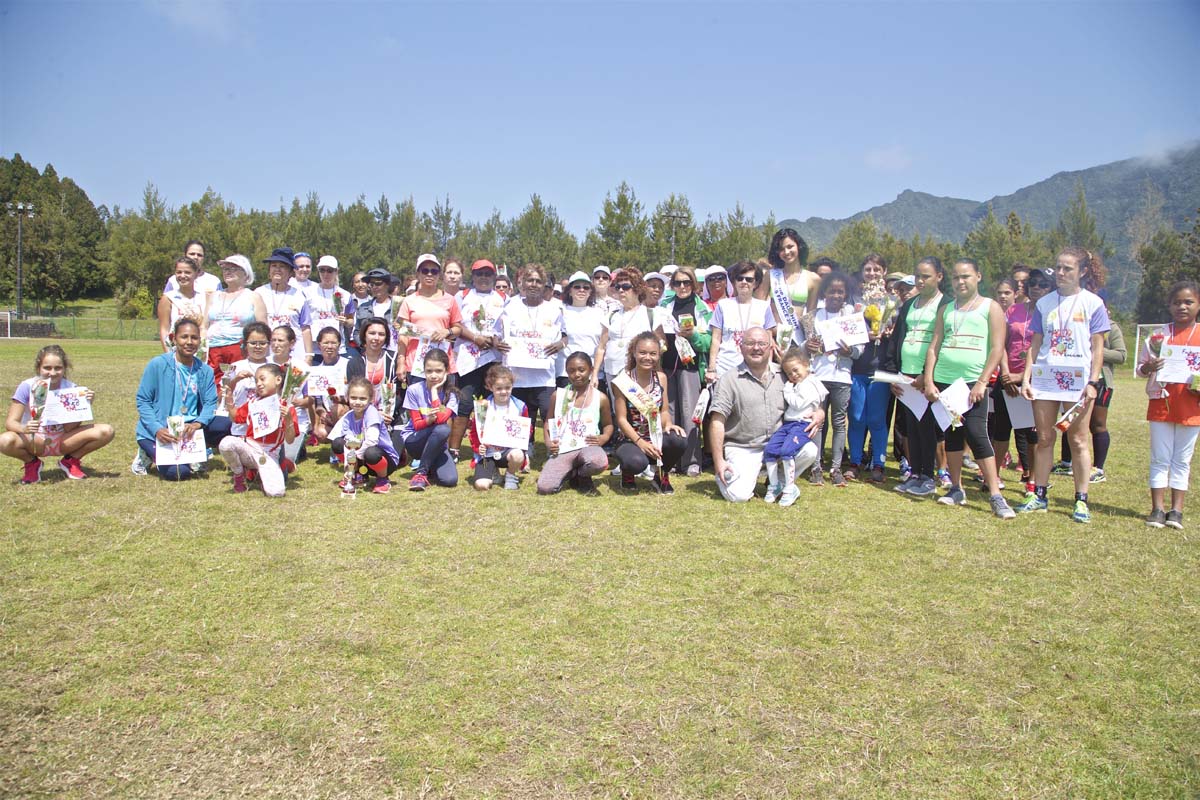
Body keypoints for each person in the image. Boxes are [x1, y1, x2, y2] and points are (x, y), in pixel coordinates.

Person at [1018, 248, 1111, 523]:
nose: (1060, 273)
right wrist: (1026, 377)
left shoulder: (1093, 303)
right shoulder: (1044, 303)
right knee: (1045, 438)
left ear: (1082, 271)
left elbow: (1098, 347)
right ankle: (1040, 495)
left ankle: (1081, 500)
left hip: (1079, 381)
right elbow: (1035, 343)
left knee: (1079, 439)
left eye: (1067, 268)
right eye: (1058, 267)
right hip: (1046, 378)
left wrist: (1093, 382)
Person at [921, 258, 1015, 519]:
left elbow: (997, 348)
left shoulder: (991, 307)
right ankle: (956, 488)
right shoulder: (946, 310)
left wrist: (983, 381)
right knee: (953, 433)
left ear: (978, 277)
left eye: (966, 276)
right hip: (944, 382)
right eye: (956, 277)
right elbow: (934, 347)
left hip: (973, 383)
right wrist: (929, 380)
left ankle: (996, 494)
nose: (960, 282)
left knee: (976, 433)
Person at [709, 327, 824, 502]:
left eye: (762, 343)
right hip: (744, 447)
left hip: (777, 444)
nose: (756, 348)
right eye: (750, 343)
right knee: (739, 496)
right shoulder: (728, 380)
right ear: (741, 347)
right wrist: (718, 461)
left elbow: (812, 393)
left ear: (770, 347)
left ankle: (778, 481)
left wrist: (820, 412)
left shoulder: (785, 374)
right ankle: (729, 476)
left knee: (809, 451)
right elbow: (717, 422)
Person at [883, 257, 950, 498]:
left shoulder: (946, 304)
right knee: (911, 428)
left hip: (928, 377)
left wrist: (927, 374)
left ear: (939, 277)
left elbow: (945, 343)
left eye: (927, 276)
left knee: (928, 429)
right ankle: (916, 473)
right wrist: (893, 375)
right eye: (918, 276)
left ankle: (929, 478)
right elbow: (896, 340)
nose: (921, 281)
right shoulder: (910, 304)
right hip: (906, 377)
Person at [2, 344, 115, 483]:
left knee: (106, 431)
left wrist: (84, 405)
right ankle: (31, 463)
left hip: (63, 439)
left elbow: (69, 428)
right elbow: (10, 422)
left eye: (58, 368)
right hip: (35, 440)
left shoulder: (71, 388)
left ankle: (70, 461)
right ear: (39, 368)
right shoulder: (27, 386)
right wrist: (24, 428)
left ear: (64, 368)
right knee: (4, 441)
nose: (53, 372)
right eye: (47, 368)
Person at [1137, 279, 1200, 529]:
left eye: (1188, 302)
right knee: (1160, 457)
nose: (1182, 307)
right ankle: (1157, 509)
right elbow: (1142, 368)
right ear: (1169, 305)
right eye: (1176, 302)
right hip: (1161, 401)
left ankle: (1177, 511)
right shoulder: (1158, 335)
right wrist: (1149, 367)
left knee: (1182, 459)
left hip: (1192, 405)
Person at [134, 318, 223, 480]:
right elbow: (143, 401)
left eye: (194, 338)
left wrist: (198, 423)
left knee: (226, 425)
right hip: (161, 430)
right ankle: (145, 454)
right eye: (184, 337)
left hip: (189, 428)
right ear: (174, 338)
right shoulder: (158, 364)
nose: (189, 342)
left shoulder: (205, 370)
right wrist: (157, 429)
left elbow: (210, 403)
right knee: (179, 473)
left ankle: (199, 450)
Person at [992, 270, 1051, 493]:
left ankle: (1033, 480)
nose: (1036, 287)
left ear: (1050, 288)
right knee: (1000, 432)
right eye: (1032, 283)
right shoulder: (1014, 310)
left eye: (1042, 284)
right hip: (1007, 380)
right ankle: (993, 476)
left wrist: (1023, 377)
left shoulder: (1052, 313)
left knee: (1033, 435)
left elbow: (1048, 351)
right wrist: (1006, 373)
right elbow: (1001, 344)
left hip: (1035, 382)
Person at [1053, 309, 1126, 483]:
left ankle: (1098, 468)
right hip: (1074, 379)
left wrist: (1095, 348)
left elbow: (1121, 355)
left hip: (1100, 381)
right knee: (1070, 420)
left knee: (1097, 424)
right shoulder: (1073, 324)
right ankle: (1066, 463)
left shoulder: (1111, 327)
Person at [495, 264, 567, 439]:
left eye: (538, 281)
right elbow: (496, 333)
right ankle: (526, 446)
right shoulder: (510, 307)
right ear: (522, 283)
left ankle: (554, 448)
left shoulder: (554, 309)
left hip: (544, 374)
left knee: (547, 411)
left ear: (544, 285)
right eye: (530, 280)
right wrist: (497, 343)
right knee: (523, 412)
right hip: (517, 373)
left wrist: (560, 345)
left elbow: (565, 336)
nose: (534, 284)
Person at [611, 332, 686, 493]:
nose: (647, 357)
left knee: (678, 439)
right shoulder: (622, 381)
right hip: (631, 440)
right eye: (642, 353)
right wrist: (640, 442)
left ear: (659, 355)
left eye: (653, 354)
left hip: (655, 436)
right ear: (634, 353)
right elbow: (621, 419)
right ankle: (628, 474)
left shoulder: (661, 378)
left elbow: (664, 410)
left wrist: (669, 425)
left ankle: (661, 475)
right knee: (635, 462)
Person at [655, 265, 712, 476]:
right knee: (668, 413)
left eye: (686, 282)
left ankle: (691, 462)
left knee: (690, 414)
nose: (682, 286)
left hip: (690, 368)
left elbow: (708, 342)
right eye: (677, 282)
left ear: (694, 285)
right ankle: (670, 459)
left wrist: (693, 336)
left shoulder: (702, 307)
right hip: (667, 367)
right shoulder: (664, 305)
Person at [807, 271, 860, 487]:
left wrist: (850, 352)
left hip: (842, 378)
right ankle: (815, 467)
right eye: (832, 291)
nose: (836, 296)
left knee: (839, 423)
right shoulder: (812, 316)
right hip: (818, 376)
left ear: (846, 294)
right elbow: (804, 346)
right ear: (824, 292)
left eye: (841, 292)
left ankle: (836, 468)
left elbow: (860, 351)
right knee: (818, 423)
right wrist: (808, 347)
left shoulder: (851, 318)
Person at [450, 259, 507, 457]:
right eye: (479, 274)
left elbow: (506, 327)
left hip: (493, 357)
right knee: (465, 403)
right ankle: (454, 449)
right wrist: (475, 337)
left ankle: (491, 446)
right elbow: (455, 324)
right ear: (472, 277)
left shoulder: (502, 297)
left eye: (488, 274)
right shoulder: (462, 296)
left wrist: (494, 340)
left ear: (494, 277)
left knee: (493, 402)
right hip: (468, 359)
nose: (483, 278)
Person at [538, 352, 614, 495]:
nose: (577, 374)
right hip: (564, 448)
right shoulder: (558, 395)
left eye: (581, 370)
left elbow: (608, 425)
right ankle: (571, 473)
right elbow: (548, 421)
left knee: (598, 461)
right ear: (566, 372)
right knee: (545, 487)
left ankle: (583, 475)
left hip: (588, 446)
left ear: (591, 370)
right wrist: (549, 443)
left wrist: (603, 438)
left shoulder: (601, 398)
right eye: (571, 371)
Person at [217, 363, 299, 497]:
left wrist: (289, 419)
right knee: (226, 443)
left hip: (269, 453)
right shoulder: (253, 403)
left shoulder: (286, 407)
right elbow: (235, 417)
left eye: (262, 379)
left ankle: (272, 469)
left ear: (278, 380)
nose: (259, 384)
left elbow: (289, 440)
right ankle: (239, 474)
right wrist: (230, 400)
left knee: (276, 493)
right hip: (249, 447)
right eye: (256, 381)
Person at [847, 255, 893, 483]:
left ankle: (879, 463)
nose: (872, 273)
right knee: (856, 417)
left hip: (881, 369)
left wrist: (889, 333)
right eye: (868, 269)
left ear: (884, 272)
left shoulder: (893, 301)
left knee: (876, 419)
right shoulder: (853, 300)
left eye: (877, 269)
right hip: (857, 367)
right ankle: (855, 460)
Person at [762, 348, 826, 507]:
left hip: (801, 424)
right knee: (770, 450)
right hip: (789, 424)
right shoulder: (799, 383)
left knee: (787, 451)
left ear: (806, 365)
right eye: (789, 373)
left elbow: (798, 403)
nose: (793, 376)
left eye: (796, 370)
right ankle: (774, 485)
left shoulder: (811, 383)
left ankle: (789, 488)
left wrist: (787, 389)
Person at [393, 349, 458, 491]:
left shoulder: (451, 394)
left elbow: (441, 418)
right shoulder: (414, 390)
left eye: (438, 371)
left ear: (446, 371)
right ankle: (421, 473)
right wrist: (428, 421)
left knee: (450, 480)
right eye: (429, 371)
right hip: (415, 440)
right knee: (443, 429)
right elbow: (416, 425)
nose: (433, 375)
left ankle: (429, 466)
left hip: (437, 443)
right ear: (423, 371)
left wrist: (434, 392)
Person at [200, 254, 267, 388]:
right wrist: (201, 348)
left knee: (239, 385)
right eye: (225, 269)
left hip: (239, 348)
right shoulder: (214, 296)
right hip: (213, 349)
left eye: (233, 268)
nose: (228, 272)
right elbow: (204, 326)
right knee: (212, 386)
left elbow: (263, 328)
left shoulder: (253, 297)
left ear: (245, 274)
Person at [396, 253, 463, 384]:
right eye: (425, 271)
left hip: (442, 363)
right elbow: (403, 334)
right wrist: (401, 362)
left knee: (444, 404)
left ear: (439, 275)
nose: (430, 274)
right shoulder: (409, 301)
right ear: (418, 274)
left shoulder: (449, 300)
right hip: (416, 363)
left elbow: (458, 328)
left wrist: (447, 332)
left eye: (434, 271)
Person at [329, 377, 403, 494]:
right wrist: (350, 468)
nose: (357, 402)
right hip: (361, 457)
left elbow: (372, 441)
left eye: (362, 399)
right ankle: (357, 475)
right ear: (347, 397)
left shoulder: (372, 413)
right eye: (353, 398)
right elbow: (348, 442)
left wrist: (356, 455)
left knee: (371, 452)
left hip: (382, 458)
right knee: (338, 443)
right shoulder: (348, 417)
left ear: (370, 399)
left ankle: (383, 479)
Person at [706, 260, 776, 381]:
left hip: (755, 369)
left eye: (749, 279)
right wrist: (712, 368)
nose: (744, 282)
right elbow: (716, 339)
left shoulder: (764, 307)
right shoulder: (723, 305)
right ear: (734, 281)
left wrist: (768, 367)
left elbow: (768, 341)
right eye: (740, 278)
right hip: (725, 368)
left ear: (756, 283)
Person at [593, 267, 652, 390]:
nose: (621, 290)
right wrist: (594, 374)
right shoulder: (611, 315)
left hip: (639, 372)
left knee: (637, 408)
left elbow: (661, 344)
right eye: (617, 287)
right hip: (612, 371)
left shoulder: (650, 314)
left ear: (637, 288)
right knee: (617, 408)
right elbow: (601, 347)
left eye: (625, 287)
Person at [472, 365, 528, 490]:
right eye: (499, 388)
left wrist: (520, 441)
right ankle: (493, 472)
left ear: (512, 385)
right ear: (490, 387)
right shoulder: (482, 406)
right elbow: (474, 433)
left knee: (518, 454)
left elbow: (526, 431)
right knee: (481, 486)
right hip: (488, 453)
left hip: (509, 452)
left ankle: (511, 475)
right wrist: (478, 447)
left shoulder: (519, 406)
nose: (504, 391)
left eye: (507, 388)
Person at [761, 228, 820, 344]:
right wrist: (767, 334)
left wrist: (810, 344)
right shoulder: (771, 276)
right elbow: (758, 309)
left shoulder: (813, 279)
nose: (786, 252)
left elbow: (810, 316)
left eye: (790, 246)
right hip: (772, 338)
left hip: (798, 340)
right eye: (781, 249)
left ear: (799, 246)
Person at [256, 247, 313, 361]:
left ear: (291, 272)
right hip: (266, 353)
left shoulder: (299, 295)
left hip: (294, 353)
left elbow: (305, 328)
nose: (277, 269)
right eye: (274, 266)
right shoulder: (258, 293)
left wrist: (309, 355)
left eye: (282, 266)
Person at [346, 317, 400, 422]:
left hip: (390, 415)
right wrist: (374, 414)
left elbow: (400, 394)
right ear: (364, 335)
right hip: (362, 415)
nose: (376, 338)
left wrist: (386, 412)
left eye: (381, 334)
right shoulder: (354, 363)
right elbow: (353, 395)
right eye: (372, 333)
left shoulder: (394, 360)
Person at [307, 327, 349, 444]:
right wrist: (322, 413)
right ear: (319, 345)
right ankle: (338, 445)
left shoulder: (348, 365)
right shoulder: (316, 370)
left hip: (347, 409)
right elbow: (318, 401)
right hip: (329, 411)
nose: (329, 346)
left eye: (333, 343)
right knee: (321, 433)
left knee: (337, 409)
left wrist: (341, 400)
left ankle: (346, 444)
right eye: (326, 343)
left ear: (339, 345)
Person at [158, 256, 207, 352]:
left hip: (201, 350)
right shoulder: (168, 298)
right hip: (177, 351)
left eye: (187, 272)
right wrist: (168, 355)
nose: (182, 275)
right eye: (179, 272)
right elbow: (164, 329)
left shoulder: (204, 297)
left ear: (196, 274)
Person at [307, 255, 353, 349]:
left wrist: (345, 322)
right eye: (322, 270)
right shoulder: (308, 293)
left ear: (336, 271)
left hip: (337, 347)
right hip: (315, 347)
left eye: (330, 270)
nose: (325, 274)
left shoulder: (346, 295)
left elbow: (351, 321)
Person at [353, 268, 401, 352]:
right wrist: (364, 346)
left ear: (387, 285)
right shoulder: (363, 307)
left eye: (378, 284)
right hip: (369, 354)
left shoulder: (399, 306)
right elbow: (357, 332)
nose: (374, 287)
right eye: (371, 284)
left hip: (393, 353)